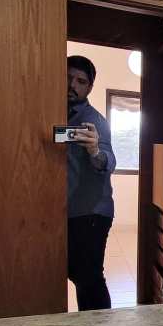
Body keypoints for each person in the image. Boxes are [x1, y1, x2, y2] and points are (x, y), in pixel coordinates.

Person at [65, 55, 116, 311]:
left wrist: (95, 150)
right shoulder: (52, 113)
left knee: (89, 279)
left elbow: (109, 162)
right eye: (68, 77)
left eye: (80, 81)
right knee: (77, 274)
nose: (72, 85)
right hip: (68, 211)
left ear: (89, 87)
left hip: (91, 213)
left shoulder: (94, 121)